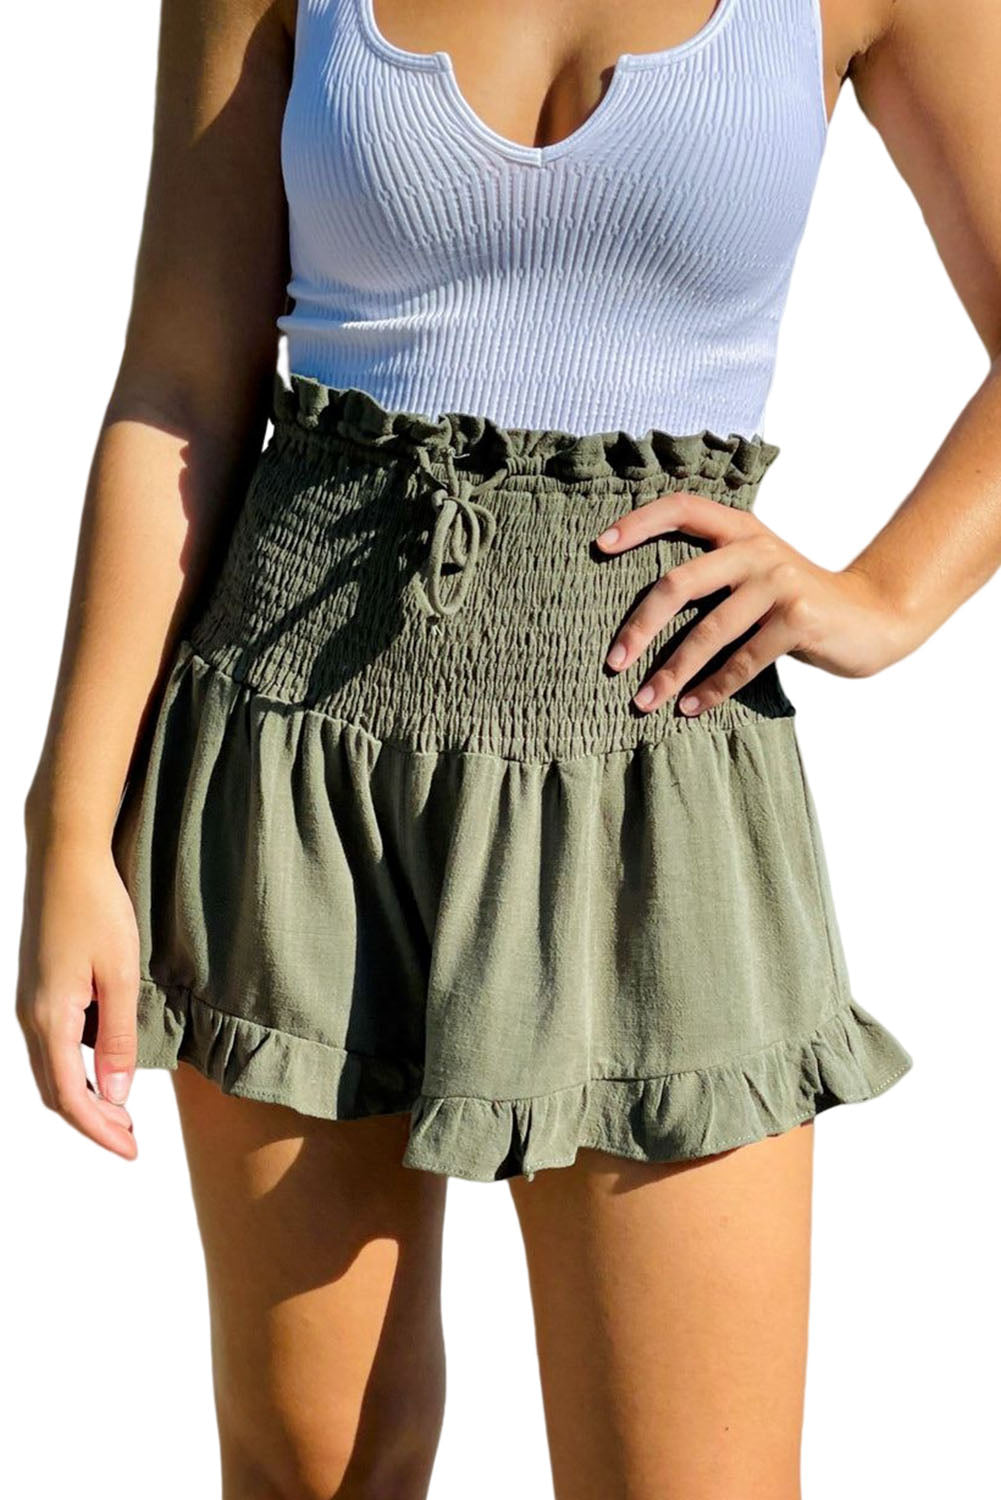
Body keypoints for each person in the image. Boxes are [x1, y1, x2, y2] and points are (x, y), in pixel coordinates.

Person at [16, 0, 1001, 1496]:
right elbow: (177, 384)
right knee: (313, 1472)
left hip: (652, 769)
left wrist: (885, 596)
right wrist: (68, 829)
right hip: (292, 760)